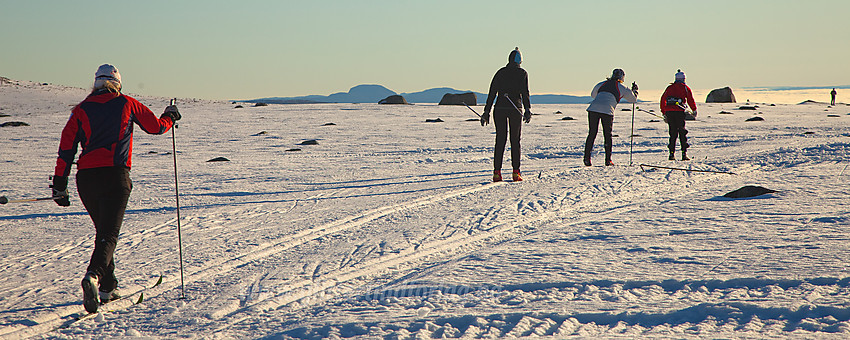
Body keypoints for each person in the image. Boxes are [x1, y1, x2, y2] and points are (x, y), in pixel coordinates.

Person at [52, 64, 181, 313]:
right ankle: (94, 276)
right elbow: (155, 127)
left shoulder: (80, 110)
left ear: (96, 84)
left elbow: (66, 148)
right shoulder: (127, 104)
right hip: (115, 176)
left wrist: (60, 184)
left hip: (86, 179)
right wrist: (170, 116)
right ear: (117, 84)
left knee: (103, 231)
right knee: (109, 234)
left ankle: (108, 287)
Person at [481, 47, 532, 182]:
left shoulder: (500, 73)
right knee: (515, 141)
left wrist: (486, 111)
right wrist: (527, 109)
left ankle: (496, 173)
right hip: (515, 109)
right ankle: (516, 173)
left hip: (500, 109)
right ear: (520, 60)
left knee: (500, 140)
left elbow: (492, 93)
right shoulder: (522, 73)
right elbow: (525, 93)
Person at [583, 69, 638, 166]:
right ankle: (608, 160)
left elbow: (593, 95)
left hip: (593, 109)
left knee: (592, 134)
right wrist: (635, 91)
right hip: (607, 111)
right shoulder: (623, 87)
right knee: (607, 135)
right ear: (622, 77)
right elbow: (633, 99)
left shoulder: (601, 84)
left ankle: (587, 158)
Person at [660, 69, 698, 161]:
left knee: (672, 133)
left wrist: (664, 112)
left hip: (669, 113)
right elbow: (690, 99)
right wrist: (694, 110)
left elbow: (663, 99)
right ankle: (683, 154)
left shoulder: (669, 88)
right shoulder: (685, 88)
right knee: (682, 132)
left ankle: (671, 154)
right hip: (679, 112)